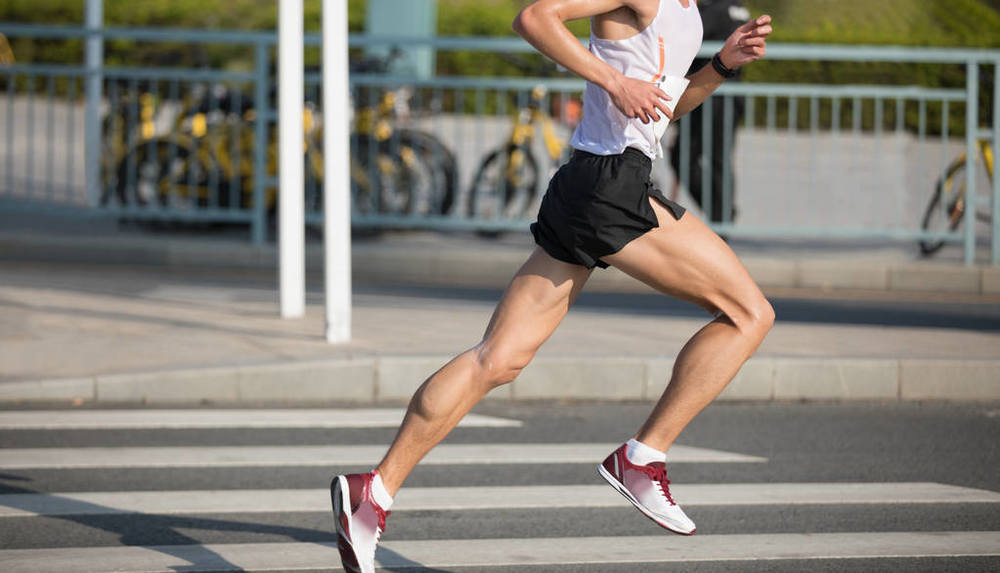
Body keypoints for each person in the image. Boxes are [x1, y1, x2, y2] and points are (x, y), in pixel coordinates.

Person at [331, 1, 773, 570]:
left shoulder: (687, 9)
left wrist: (722, 66)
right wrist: (614, 81)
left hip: (590, 184)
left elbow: (664, 107)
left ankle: (373, 492)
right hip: (611, 185)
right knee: (748, 314)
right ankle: (642, 457)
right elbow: (535, 17)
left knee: (498, 358)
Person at [668, 0, 750, 224]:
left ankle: (722, 216)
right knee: (716, 160)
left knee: (690, 158)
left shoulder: (716, 9)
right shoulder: (736, 7)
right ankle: (722, 214)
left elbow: (682, 35)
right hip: (722, 95)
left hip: (708, 96)